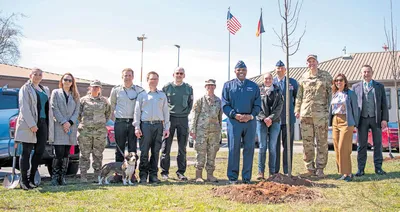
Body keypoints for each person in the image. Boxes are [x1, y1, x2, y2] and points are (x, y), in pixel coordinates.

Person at [222, 60, 261, 184]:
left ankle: (246, 178)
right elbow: (225, 104)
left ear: (246, 71)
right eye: (239, 70)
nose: (241, 72)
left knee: (249, 148)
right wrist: (235, 115)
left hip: (249, 122)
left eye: (243, 70)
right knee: (234, 149)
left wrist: (251, 116)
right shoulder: (228, 86)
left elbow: (258, 104)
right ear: (235, 71)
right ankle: (233, 177)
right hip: (234, 122)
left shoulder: (253, 86)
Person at [14, 68, 54, 190]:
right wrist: (32, 124)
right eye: (35, 74)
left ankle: (32, 178)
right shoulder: (25, 88)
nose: (37, 76)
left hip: (43, 123)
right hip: (28, 123)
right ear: (30, 75)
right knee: (26, 152)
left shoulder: (44, 89)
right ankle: (24, 181)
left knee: (39, 151)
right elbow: (24, 107)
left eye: (40, 74)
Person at [295, 54, 333, 178]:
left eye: (313, 61)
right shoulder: (303, 77)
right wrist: (297, 109)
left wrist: (329, 111)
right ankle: (310, 169)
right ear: (307, 64)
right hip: (306, 114)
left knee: (322, 142)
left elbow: (331, 94)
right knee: (307, 143)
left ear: (317, 62)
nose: (311, 63)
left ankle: (320, 168)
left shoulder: (326, 76)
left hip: (321, 114)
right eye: (309, 62)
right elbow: (299, 96)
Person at [134, 72, 170, 184]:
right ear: (147, 80)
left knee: (155, 152)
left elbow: (166, 112)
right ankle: (143, 176)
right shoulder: (142, 95)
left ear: (158, 80)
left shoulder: (162, 95)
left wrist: (166, 128)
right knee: (144, 152)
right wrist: (137, 127)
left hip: (158, 125)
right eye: (151, 79)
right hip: (145, 125)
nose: (153, 81)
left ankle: (153, 175)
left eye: (155, 79)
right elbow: (137, 112)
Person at [352, 65, 388, 176]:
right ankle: (361, 169)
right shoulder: (355, 87)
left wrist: (384, 119)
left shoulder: (379, 86)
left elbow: (384, 104)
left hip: (376, 119)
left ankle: (378, 168)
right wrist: (353, 121)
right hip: (361, 119)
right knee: (361, 145)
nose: (366, 74)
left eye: (368, 72)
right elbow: (353, 105)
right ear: (361, 73)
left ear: (372, 72)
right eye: (364, 72)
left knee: (377, 144)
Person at [160, 67, 193, 181]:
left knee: (182, 148)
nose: (179, 75)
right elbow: (162, 103)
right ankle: (164, 172)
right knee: (166, 147)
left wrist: (185, 113)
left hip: (183, 119)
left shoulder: (188, 88)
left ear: (184, 75)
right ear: (173, 74)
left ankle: (181, 172)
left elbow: (190, 104)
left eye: (181, 73)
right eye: (177, 73)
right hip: (170, 119)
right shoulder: (166, 88)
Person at [50, 73, 80, 186]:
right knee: (58, 153)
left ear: (72, 83)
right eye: (65, 79)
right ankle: (55, 177)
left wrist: (70, 122)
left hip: (70, 128)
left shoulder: (75, 95)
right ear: (62, 81)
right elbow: (54, 108)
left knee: (66, 154)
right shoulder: (56, 93)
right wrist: (63, 122)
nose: (67, 82)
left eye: (70, 80)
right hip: (59, 126)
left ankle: (62, 177)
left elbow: (77, 111)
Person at [189, 79, 222, 183]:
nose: (210, 87)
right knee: (200, 152)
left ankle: (210, 175)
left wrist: (219, 130)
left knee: (212, 153)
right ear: (205, 87)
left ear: (215, 87)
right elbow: (194, 115)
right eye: (208, 86)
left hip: (214, 131)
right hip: (201, 131)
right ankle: (198, 175)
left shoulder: (218, 101)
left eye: (212, 86)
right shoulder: (200, 100)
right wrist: (192, 129)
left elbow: (219, 116)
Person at [78, 80, 111, 182]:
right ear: (90, 88)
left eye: (97, 87)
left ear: (100, 88)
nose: (95, 88)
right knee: (84, 155)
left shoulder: (105, 101)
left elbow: (107, 115)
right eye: (93, 87)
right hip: (85, 132)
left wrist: (99, 124)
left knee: (98, 155)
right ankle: (83, 176)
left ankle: (97, 176)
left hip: (99, 133)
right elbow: (78, 115)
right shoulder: (83, 100)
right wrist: (87, 124)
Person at [109, 68, 144, 164]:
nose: (127, 77)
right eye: (125, 75)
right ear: (122, 77)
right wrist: (110, 121)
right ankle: (118, 172)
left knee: (132, 149)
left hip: (133, 122)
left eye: (129, 75)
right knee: (119, 148)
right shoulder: (116, 90)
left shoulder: (139, 90)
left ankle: (131, 174)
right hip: (120, 122)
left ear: (133, 77)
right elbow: (111, 106)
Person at [328, 74, 359, 182]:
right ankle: (342, 173)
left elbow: (355, 109)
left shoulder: (350, 94)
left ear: (345, 82)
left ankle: (349, 173)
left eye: (340, 80)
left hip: (346, 120)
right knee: (336, 147)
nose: (338, 82)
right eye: (336, 80)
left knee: (343, 147)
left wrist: (356, 123)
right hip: (335, 120)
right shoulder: (334, 94)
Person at [273, 60, 298, 175]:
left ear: (285, 69)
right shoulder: (272, 82)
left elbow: (297, 98)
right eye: (278, 68)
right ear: (275, 70)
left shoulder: (292, 82)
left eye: (282, 68)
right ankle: (276, 171)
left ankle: (288, 171)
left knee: (288, 146)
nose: (280, 70)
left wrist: (297, 110)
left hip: (288, 119)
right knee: (275, 146)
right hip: (275, 120)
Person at [256, 73, 283, 179]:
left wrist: (270, 118)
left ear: (273, 79)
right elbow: (256, 106)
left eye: (270, 78)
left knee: (272, 148)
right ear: (263, 80)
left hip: (275, 121)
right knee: (262, 147)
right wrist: (264, 118)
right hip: (261, 121)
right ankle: (260, 172)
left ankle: (272, 172)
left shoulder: (278, 90)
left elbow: (280, 106)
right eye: (266, 79)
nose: (268, 80)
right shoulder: (258, 91)